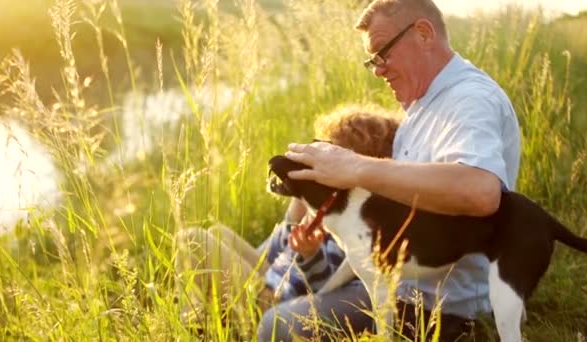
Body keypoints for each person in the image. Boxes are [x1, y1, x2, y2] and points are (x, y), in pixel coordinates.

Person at [284, 0, 521, 341]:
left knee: (276, 325)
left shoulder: (469, 100)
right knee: (295, 301)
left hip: (439, 308)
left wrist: (355, 167)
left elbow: (480, 191)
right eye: (372, 60)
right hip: (399, 280)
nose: (378, 69)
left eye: (383, 52)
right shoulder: (420, 106)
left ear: (423, 33)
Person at [176, 104, 400, 339]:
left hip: (275, 300)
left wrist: (310, 255)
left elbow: (327, 290)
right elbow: (274, 254)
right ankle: (203, 320)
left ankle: (197, 325)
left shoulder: (352, 221)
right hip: (273, 278)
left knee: (192, 240)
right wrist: (293, 216)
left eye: (327, 153)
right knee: (217, 232)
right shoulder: (321, 207)